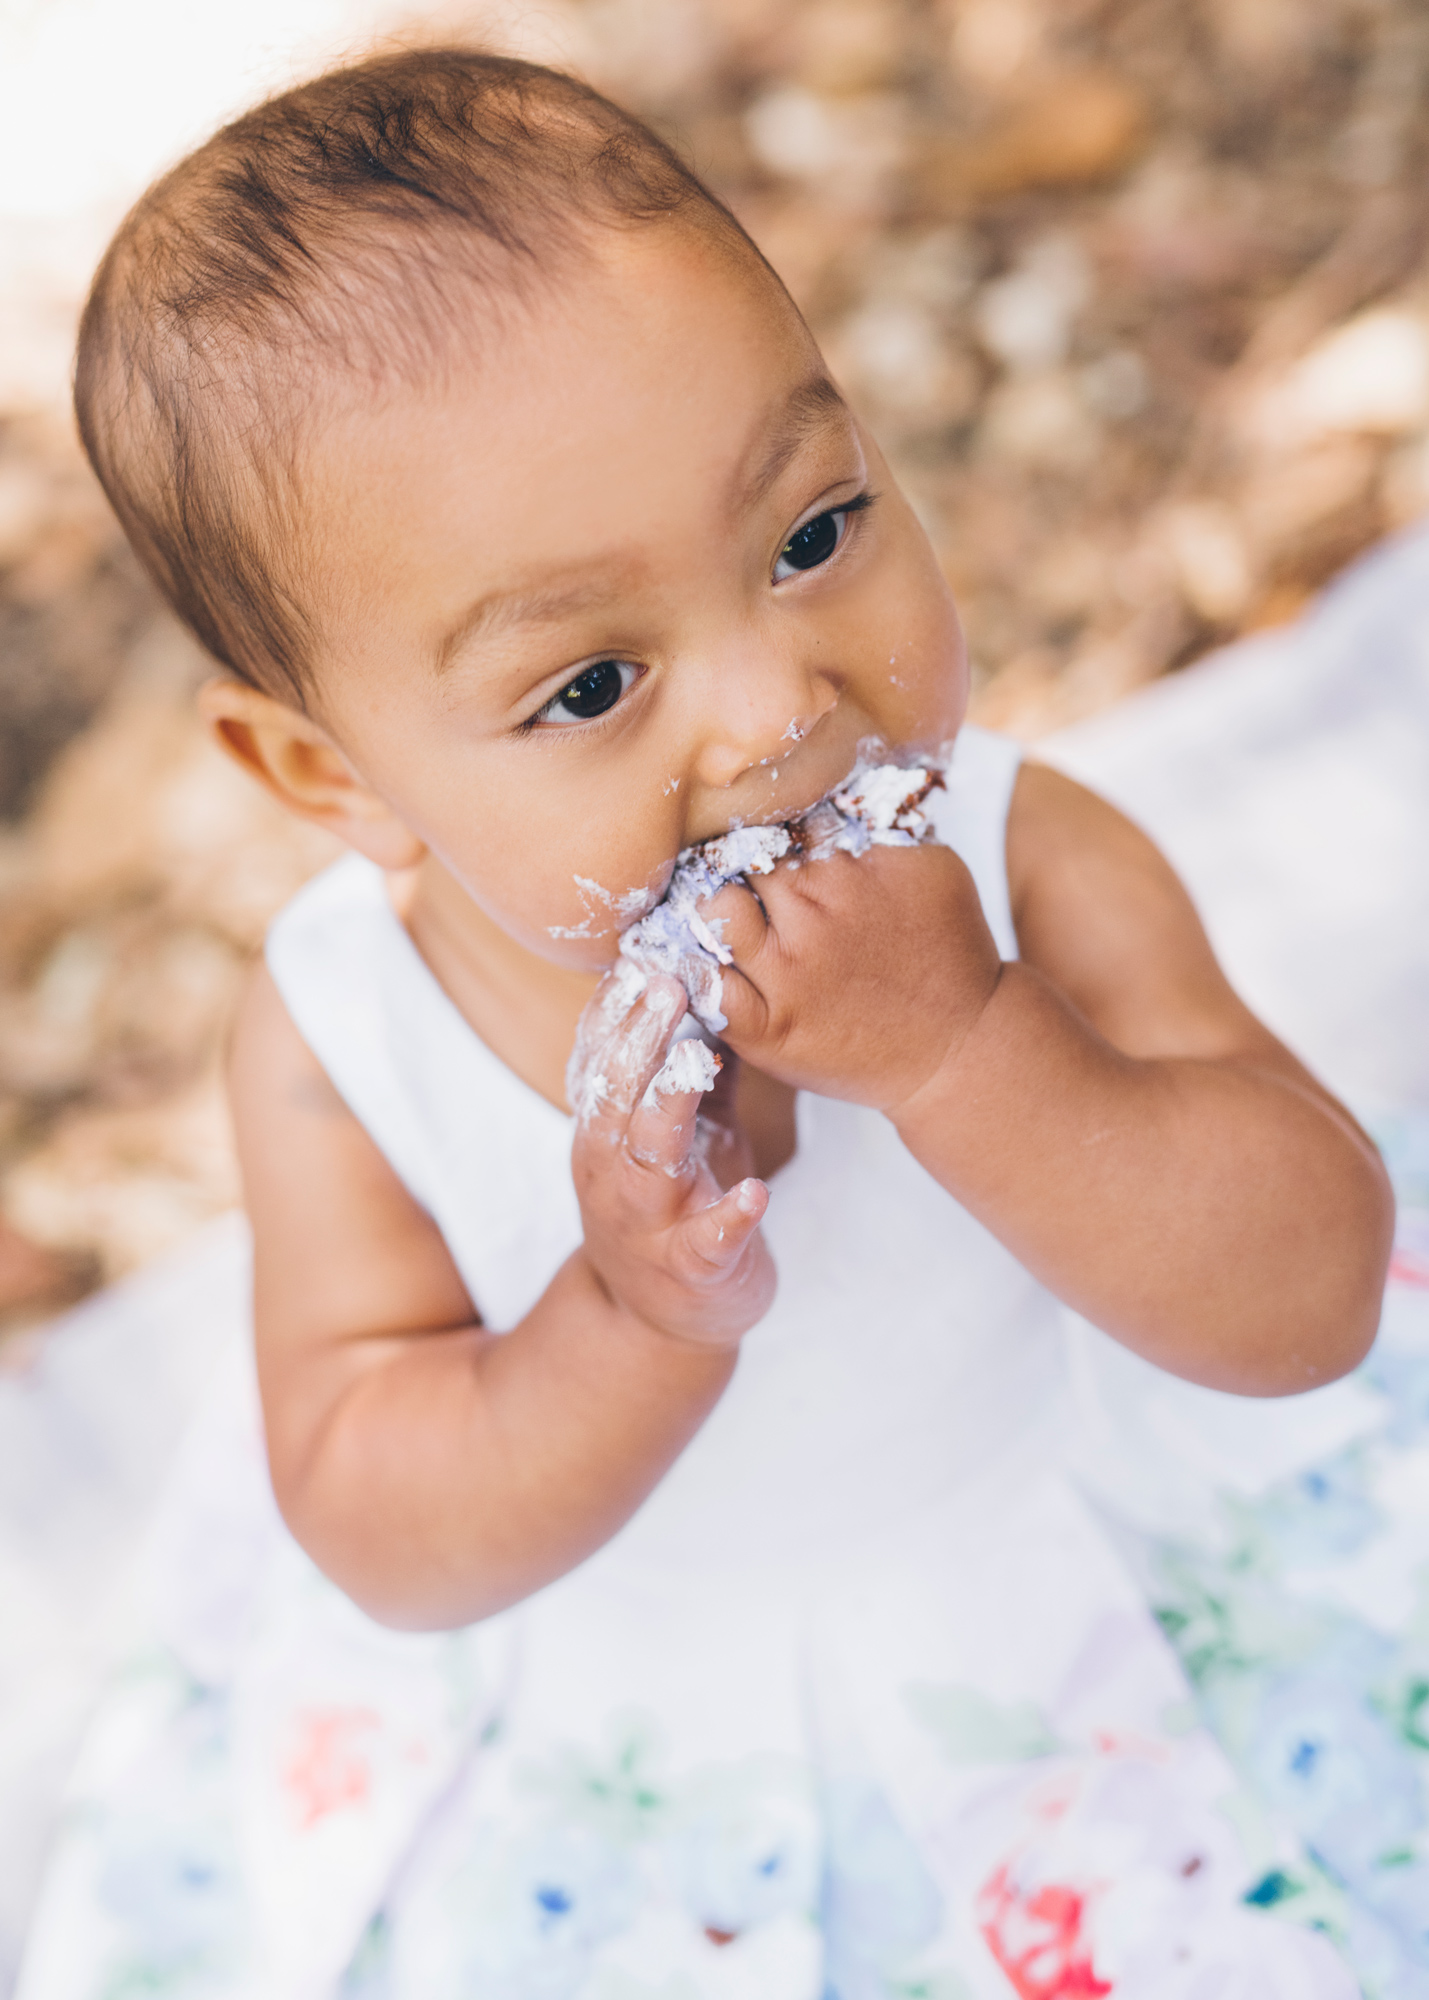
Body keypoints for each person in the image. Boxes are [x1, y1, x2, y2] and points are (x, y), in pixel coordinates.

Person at [17, 46, 1400, 2000]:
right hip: (655, 1715)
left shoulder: (1027, 856)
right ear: (333, 780)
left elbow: (1304, 1290)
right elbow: (386, 1517)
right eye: (590, 685)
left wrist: (971, 1050)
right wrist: (625, 1314)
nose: (774, 711)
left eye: (812, 533)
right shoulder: (346, 1044)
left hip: (1091, 1558)